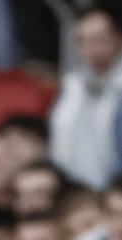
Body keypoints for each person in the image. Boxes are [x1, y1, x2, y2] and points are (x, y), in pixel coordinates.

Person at [49, 5, 122, 191]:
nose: (93, 47)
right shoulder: (71, 86)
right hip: (73, 191)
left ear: (117, 37)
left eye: (100, 38)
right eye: (84, 40)